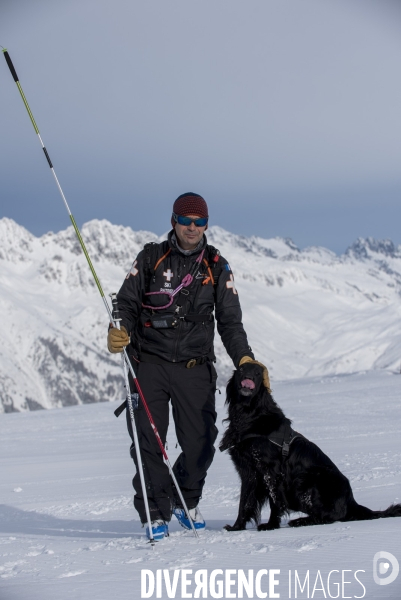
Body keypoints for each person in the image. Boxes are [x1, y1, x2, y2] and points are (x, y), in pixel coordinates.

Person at [107, 192, 270, 540]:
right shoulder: (151, 258)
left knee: (202, 443)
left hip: (194, 368)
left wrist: (244, 358)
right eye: (186, 221)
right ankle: (154, 513)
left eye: (199, 222)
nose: (192, 227)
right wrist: (117, 328)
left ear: (206, 225)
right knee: (149, 443)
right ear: (173, 222)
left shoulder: (217, 266)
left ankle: (184, 498)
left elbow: (230, 321)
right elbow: (126, 303)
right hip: (148, 364)